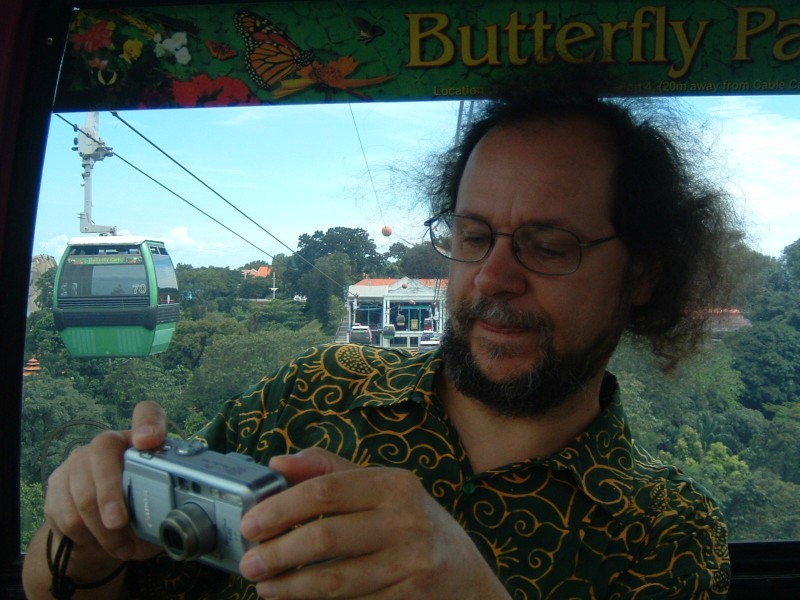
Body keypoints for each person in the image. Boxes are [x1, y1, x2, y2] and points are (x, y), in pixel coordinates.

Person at [23, 94, 735, 599]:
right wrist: (83, 537)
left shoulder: (666, 534)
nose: (492, 277)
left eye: (549, 247)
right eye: (472, 236)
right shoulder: (315, 393)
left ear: (643, 273)